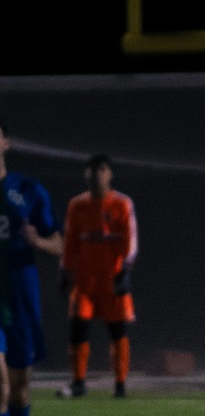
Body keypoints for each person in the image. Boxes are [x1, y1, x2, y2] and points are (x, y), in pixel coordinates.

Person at [0, 120, 62, 416]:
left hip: (19, 299)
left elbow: (59, 241)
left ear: (4, 142)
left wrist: (39, 241)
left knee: (20, 391)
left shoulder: (27, 190)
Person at [58, 154, 136, 401]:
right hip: (85, 282)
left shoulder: (121, 204)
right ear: (85, 174)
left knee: (117, 331)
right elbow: (70, 242)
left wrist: (124, 270)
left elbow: (130, 242)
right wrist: (65, 272)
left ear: (110, 174)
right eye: (92, 170)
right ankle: (79, 383)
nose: (96, 174)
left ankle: (120, 385)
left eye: (101, 169)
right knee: (78, 329)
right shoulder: (77, 205)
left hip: (111, 280)